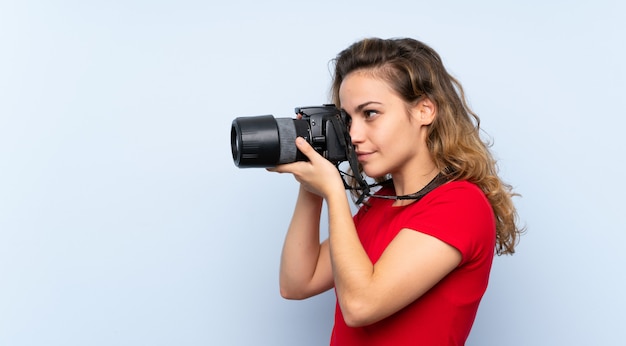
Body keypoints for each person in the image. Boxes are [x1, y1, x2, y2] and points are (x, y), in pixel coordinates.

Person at [269, 37, 523, 345]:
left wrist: (334, 191)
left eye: (371, 113)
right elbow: (297, 283)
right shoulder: (381, 204)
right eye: (348, 120)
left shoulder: (460, 204)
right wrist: (311, 185)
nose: (354, 135)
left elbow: (361, 305)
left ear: (424, 111)